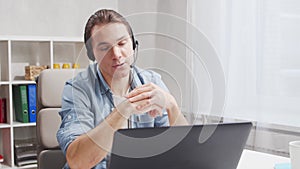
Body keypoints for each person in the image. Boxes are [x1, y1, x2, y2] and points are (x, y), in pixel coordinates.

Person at [56, 9, 188, 169]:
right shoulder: (78, 89)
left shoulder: (152, 81)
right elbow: (78, 161)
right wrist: (123, 110)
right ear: (92, 55)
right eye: (104, 48)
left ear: (133, 45)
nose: (116, 54)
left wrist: (171, 105)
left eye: (122, 43)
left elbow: (185, 151)